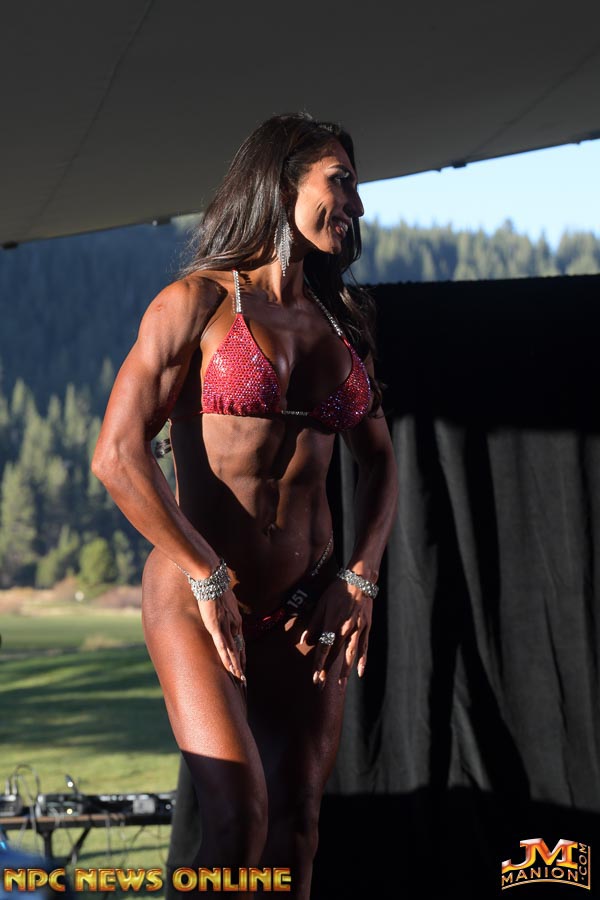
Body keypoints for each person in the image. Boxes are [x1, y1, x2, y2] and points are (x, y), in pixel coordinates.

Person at [91, 112, 399, 898]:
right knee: (237, 822)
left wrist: (359, 578)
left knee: (299, 825)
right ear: (280, 181)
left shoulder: (343, 325)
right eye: (340, 181)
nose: (356, 205)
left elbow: (380, 463)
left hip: (306, 603)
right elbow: (118, 456)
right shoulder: (194, 304)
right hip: (196, 596)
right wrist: (203, 571)